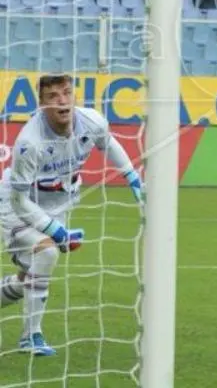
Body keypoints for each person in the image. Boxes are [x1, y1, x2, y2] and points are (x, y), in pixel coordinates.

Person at [0, 74, 142, 356]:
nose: (63, 101)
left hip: (61, 202)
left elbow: (109, 143)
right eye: (53, 96)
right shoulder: (30, 142)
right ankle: (31, 336)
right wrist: (56, 231)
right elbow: (19, 199)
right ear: (42, 104)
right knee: (48, 252)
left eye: (67, 93)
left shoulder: (91, 120)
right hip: (18, 205)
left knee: (32, 274)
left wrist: (132, 177)